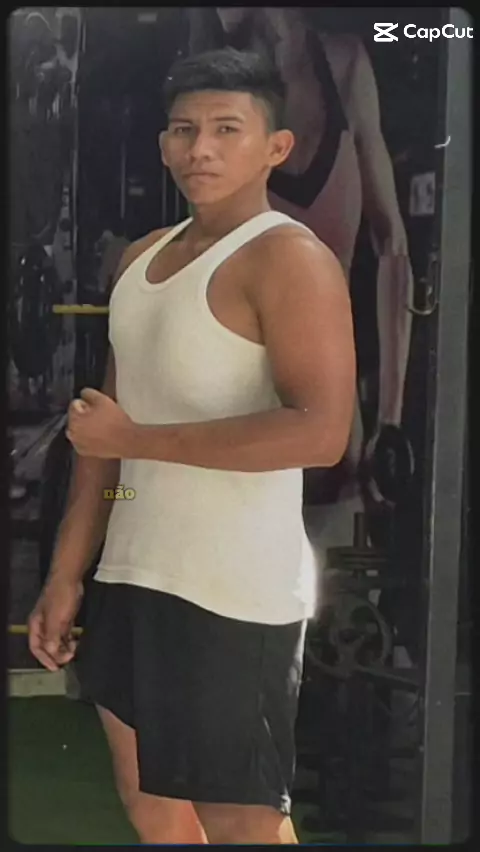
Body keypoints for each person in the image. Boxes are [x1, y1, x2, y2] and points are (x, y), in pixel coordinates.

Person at [28, 48, 356, 845]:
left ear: (276, 147)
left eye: (225, 129)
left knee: (243, 823)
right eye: (183, 129)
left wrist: (134, 438)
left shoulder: (289, 257)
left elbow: (320, 433)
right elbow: (103, 443)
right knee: (153, 809)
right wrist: (68, 575)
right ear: (163, 143)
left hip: (233, 590)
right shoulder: (141, 258)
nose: (200, 148)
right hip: (133, 573)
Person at [187, 7, 414, 549]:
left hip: (335, 439)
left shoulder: (345, 66)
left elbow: (393, 246)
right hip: (237, 427)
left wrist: (390, 420)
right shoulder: (214, 99)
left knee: (334, 587)